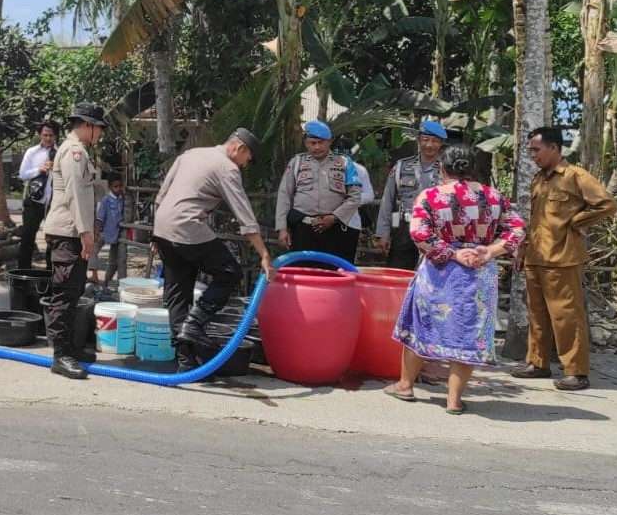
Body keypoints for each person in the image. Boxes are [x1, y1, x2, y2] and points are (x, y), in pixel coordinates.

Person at [384, 144, 525, 414]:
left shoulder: (431, 196)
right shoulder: (493, 197)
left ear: (441, 168)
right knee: (468, 333)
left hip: (439, 273)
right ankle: (454, 400)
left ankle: (404, 385)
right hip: (479, 274)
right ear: (473, 168)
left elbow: (420, 234)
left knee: (420, 327)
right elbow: (517, 229)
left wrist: (452, 253)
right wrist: (491, 251)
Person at [152, 129, 274, 373]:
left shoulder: (191, 154)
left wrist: (155, 234)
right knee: (230, 272)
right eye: (248, 158)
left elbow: (162, 194)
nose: (246, 164)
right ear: (239, 148)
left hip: (163, 227)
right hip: (187, 227)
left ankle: (185, 363)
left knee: (178, 294)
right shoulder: (226, 168)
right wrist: (264, 254)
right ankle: (194, 323)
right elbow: (244, 215)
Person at [511, 126, 617, 391]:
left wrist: (576, 221)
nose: (533, 155)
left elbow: (607, 204)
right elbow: (535, 219)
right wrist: (523, 249)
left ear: (554, 148)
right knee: (537, 314)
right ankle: (537, 363)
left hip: (563, 257)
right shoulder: (538, 179)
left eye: (536, 150)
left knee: (566, 316)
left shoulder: (575, 176)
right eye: (531, 150)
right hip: (536, 255)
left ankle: (576, 371)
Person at [42, 103, 106, 379]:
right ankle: (61, 355)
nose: (101, 134)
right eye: (99, 129)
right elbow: (75, 196)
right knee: (65, 294)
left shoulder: (78, 152)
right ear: (88, 126)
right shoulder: (74, 153)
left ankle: (69, 347)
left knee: (74, 290)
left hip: (73, 232)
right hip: (69, 233)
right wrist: (85, 232)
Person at [274, 120, 363, 267]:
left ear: (329, 142)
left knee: (331, 273)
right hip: (303, 230)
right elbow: (284, 195)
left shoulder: (344, 163)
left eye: (321, 142)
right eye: (312, 143)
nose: (317, 147)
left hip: (333, 230)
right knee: (302, 272)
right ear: (306, 143)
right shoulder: (296, 162)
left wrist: (334, 217)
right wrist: (282, 228)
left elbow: (354, 196)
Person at [375, 121, 448, 270]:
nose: (429, 145)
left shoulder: (447, 169)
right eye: (426, 140)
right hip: (404, 228)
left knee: (432, 275)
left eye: (435, 141)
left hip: (435, 230)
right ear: (418, 140)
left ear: (441, 144)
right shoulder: (402, 166)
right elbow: (387, 200)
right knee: (398, 272)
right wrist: (383, 233)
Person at [17, 121, 59, 270]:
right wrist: (39, 169)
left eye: (51, 135)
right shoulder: (32, 152)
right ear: (40, 135)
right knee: (28, 236)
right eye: (45, 135)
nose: (48, 138)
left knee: (52, 238)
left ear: (56, 136)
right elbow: (22, 174)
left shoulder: (60, 153)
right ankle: (23, 271)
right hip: (33, 201)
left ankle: (50, 272)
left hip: (53, 202)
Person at [88, 172, 124, 287]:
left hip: (117, 234)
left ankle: (107, 281)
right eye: (115, 186)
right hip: (104, 232)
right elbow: (99, 218)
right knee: (93, 250)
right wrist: (96, 233)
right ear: (109, 187)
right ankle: (94, 275)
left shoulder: (123, 200)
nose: (118, 189)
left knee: (114, 259)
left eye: (120, 186)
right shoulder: (106, 201)